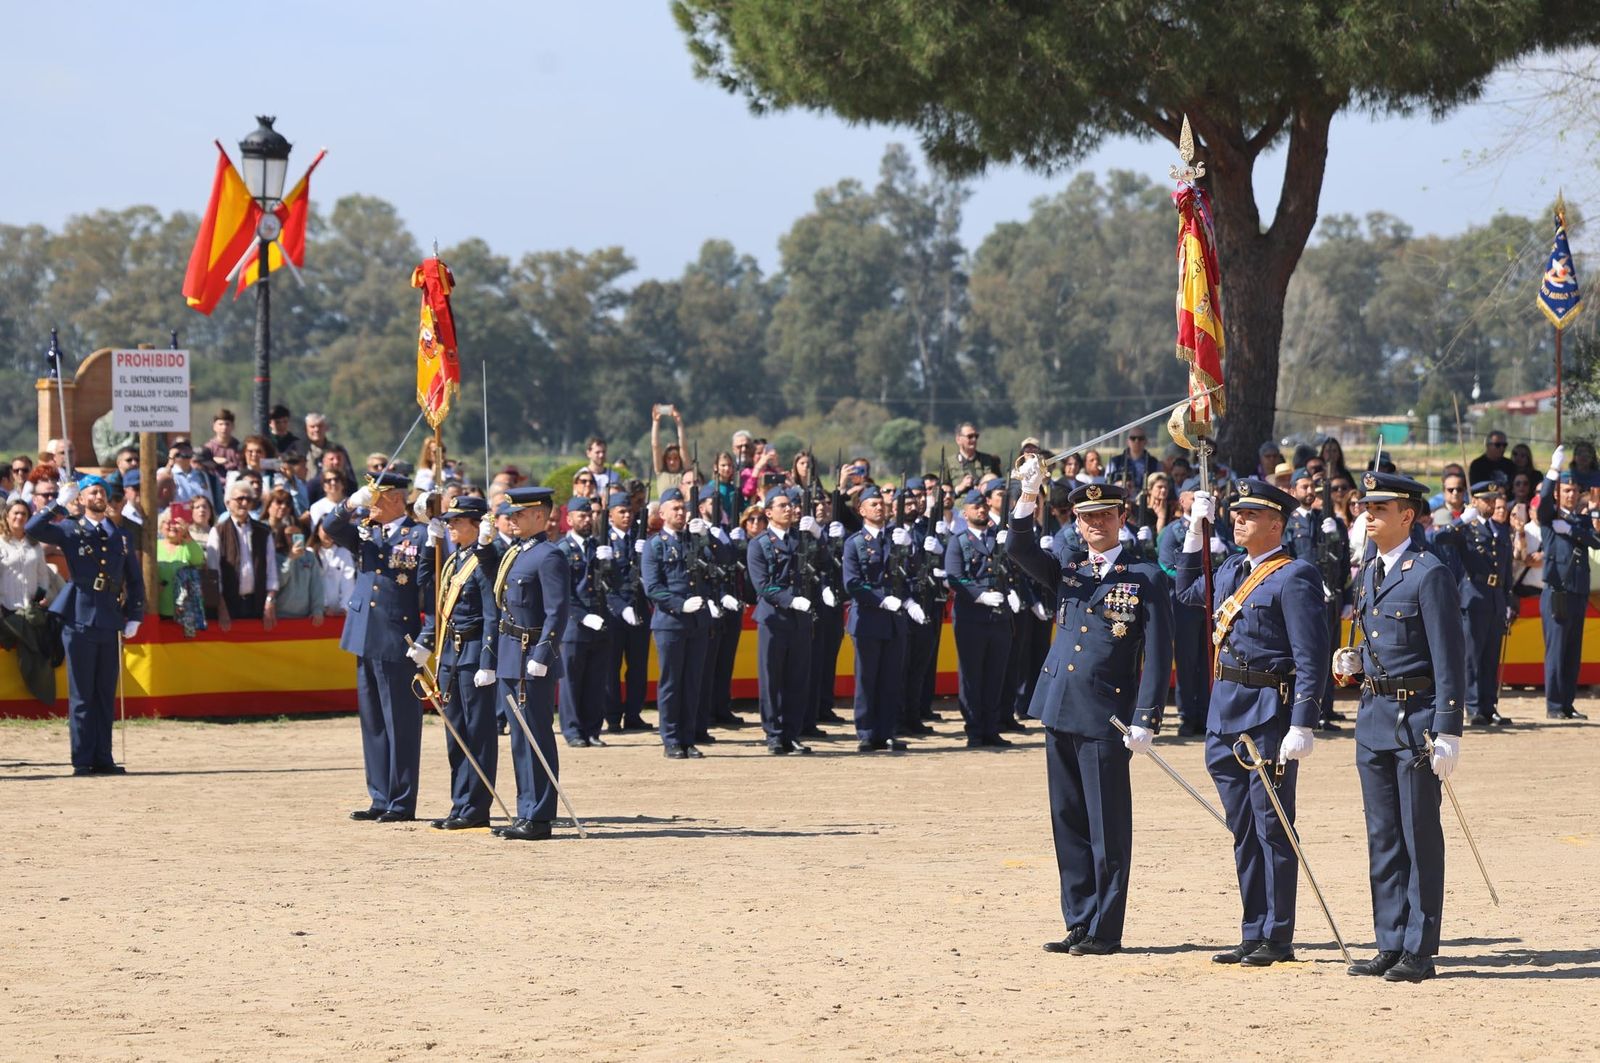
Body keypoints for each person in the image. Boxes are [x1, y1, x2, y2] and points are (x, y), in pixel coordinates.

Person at [1007, 463, 1172, 957]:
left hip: (1107, 714)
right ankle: (1078, 920)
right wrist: (1028, 495)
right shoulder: (1069, 569)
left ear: (1122, 517)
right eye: (1086, 517)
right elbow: (1018, 549)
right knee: (1068, 821)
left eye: (1104, 515)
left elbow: (1159, 654)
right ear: (1076, 524)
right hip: (1059, 706)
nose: (1096, 524)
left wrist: (1147, 716)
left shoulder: (1144, 576)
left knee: (1107, 826)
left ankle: (1106, 926)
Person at [1178, 478, 1330, 967]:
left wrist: (1303, 722)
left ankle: (1277, 935)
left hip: (1268, 712)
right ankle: (1252, 929)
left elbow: (1311, 656)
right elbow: (1186, 592)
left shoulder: (1295, 576)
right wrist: (1194, 533)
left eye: (1250, 514)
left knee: (1272, 825)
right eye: (1236, 513)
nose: (1239, 519)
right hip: (1224, 711)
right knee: (1242, 827)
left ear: (1276, 524)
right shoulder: (1229, 569)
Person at [1332, 472, 1466, 983]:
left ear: (1407, 516)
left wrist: (1449, 728)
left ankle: (1419, 948)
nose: (1368, 515)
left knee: (1418, 835)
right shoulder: (1369, 571)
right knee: (1383, 835)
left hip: (1416, 722)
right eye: (1366, 507)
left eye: (1380, 508)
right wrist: (1353, 661)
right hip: (1373, 718)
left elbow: (1449, 655)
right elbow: (1376, 641)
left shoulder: (1428, 574)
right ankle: (1389, 941)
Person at [322, 471, 434, 823]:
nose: (370, 502)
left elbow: (429, 591)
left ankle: (401, 801)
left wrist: (427, 637)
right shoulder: (366, 531)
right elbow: (330, 528)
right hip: (364, 634)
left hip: (397, 637)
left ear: (396, 499)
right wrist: (348, 504)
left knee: (400, 722)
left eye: (377, 496)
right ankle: (380, 796)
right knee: (372, 722)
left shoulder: (418, 535)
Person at [25, 475, 145, 774]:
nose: (98, 496)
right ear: (81, 499)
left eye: (102, 492)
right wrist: (59, 503)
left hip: (109, 619)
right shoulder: (70, 529)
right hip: (79, 617)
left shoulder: (120, 535)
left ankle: (103, 757)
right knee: (82, 695)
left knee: (104, 693)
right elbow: (33, 528)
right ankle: (82, 759)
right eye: (92, 492)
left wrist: (135, 614)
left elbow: (134, 578)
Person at [409, 495, 501, 830]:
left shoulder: (485, 560)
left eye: (456, 522)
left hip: (473, 652)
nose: (449, 526)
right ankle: (460, 803)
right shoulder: (453, 559)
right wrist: (428, 546)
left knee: (477, 734)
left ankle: (476, 807)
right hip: (450, 653)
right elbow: (426, 585)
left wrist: (488, 660)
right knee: (456, 733)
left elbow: (491, 614)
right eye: (448, 522)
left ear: (476, 525)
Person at [1433, 482, 1513, 726]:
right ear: (1474, 501)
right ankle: (1474, 706)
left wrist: (1508, 600)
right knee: (1473, 657)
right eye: (1486, 499)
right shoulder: (1467, 528)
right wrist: (1461, 520)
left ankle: (1490, 706)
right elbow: (1438, 538)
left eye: (1494, 499)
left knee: (1491, 657)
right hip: (1473, 597)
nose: (1491, 504)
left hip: (1495, 598)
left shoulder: (1498, 529)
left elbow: (1506, 569)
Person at [746, 485, 819, 755]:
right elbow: (763, 585)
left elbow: (823, 562)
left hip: (799, 620)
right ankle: (774, 735)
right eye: (782, 506)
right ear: (768, 512)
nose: (789, 509)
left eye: (790, 505)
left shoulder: (801, 540)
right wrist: (791, 600)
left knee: (797, 679)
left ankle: (792, 733)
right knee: (772, 679)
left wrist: (819, 534)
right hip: (774, 619)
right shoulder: (759, 544)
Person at [643, 487, 713, 759]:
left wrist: (706, 538)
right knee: (671, 683)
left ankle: (688, 737)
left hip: (697, 622)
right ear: (662, 514)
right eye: (675, 508)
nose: (681, 513)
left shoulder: (693, 540)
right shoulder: (655, 544)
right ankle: (671, 739)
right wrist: (679, 604)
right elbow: (652, 587)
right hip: (670, 622)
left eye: (683, 508)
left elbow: (717, 565)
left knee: (693, 682)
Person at [842, 486, 911, 753]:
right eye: (873, 504)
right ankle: (867, 732)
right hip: (868, 620)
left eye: (881, 503)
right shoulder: (855, 543)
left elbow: (910, 574)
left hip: (894, 621)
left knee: (891, 679)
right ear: (861, 510)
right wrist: (881, 599)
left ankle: (888, 731)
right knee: (867, 679)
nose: (879, 507)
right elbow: (852, 583)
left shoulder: (896, 538)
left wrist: (911, 548)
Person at [945, 487, 1014, 747]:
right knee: (972, 676)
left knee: (996, 675)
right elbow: (955, 576)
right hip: (971, 617)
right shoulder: (959, 541)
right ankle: (974, 730)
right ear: (965, 513)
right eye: (975, 507)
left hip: (999, 617)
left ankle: (991, 729)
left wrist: (1011, 545)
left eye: (984, 506)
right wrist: (980, 595)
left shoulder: (999, 538)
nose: (982, 510)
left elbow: (1013, 571)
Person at [1535, 445, 1598, 721]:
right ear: (1558, 493)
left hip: (1578, 591)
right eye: (1566, 490)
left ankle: (1568, 703)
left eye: (1574, 491)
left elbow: (1596, 540)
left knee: (1573, 651)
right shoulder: (1550, 518)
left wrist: (1572, 529)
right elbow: (1543, 502)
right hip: (1557, 591)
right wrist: (1553, 470)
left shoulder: (1579, 521)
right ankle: (1554, 704)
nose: (1571, 495)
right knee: (1557, 650)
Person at [555, 496, 612, 747]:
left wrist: (610, 563)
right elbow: (561, 592)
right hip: (574, 625)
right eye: (582, 515)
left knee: (596, 680)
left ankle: (592, 729)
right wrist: (582, 615)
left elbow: (611, 585)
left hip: (600, 622)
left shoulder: (598, 546)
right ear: (569, 520)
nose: (587, 520)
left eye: (589, 515)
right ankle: (573, 730)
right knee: (571, 681)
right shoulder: (562, 550)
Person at [601, 491, 651, 733]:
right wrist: (621, 608)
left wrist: (646, 552)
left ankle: (633, 713)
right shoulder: (604, 541)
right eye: (621, 511)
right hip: (613, 612)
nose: (627, 516)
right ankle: (612, 717)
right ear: (610, 515)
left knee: (638, 666)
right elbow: (605, 584)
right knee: (611, 667)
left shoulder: (640, 539)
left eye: (630, 511)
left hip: (639, 609)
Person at [206, 481, 279, 631]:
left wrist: (269, 601)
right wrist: (221, 607)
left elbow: (271, 569)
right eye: (240, 499)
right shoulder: (218, 531)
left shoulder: (264, 531)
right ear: (228, 503)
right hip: (228, 603)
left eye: (248, 499)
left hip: (257, 603)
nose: (244, 503)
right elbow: (213, 573)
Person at [271, 492, 325, 624]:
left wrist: (318, 610)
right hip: (280, 616)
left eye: (297, 534)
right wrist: (290, 559)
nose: (293, 538)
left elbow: (316, 585)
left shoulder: (309, 556)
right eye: (289, 535)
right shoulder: (275, 555)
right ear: (282, 534)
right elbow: (277, 583)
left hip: (304, 617)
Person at [1, 498, 62, 611]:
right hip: (6, 610)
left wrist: (40, 597)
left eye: (23, 514)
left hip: (32, 610)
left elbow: (43, 576)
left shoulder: (35, 544)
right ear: (7, 517)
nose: (20, 517)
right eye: (16, 513)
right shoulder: (1, 544)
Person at [154, 508, 205, 636]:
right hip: (158, 608)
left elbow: (198, 559)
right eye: (168, 522)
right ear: (161, 527)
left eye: (176, 523)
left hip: (184, 611)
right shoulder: (154, 546)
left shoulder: (187, 545)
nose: (172, 526)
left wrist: (187, 536)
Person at [315, 524, 356, 616]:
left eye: (332, 529)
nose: (328, 533)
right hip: (316, 611)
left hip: (337, 612)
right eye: (324, 529)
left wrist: (345, 607)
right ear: (317, 531)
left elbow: (348, 582)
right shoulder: (310, 552)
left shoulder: (344, 553)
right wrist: (323, 606)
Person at [1107, 430, 1158, 497]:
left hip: (1145, 499)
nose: (1137, 441)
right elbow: (1106, 484)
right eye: (1133, 438)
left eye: (1140, 438)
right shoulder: (1114, 462)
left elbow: (1159, 482)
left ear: (1145, 441)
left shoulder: (1154, 463)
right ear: (1127, 441)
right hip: (1120, 498)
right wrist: (1119, 484)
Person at [651, 405, 688, 497]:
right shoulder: (660, 472)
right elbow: (655, 446)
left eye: (676, 458)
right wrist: (656, 421)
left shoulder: (685, 474)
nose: (672, 462)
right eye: (669, 459)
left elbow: (683, 447)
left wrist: (678, 421)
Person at [952, 422, 1001, 490]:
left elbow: (999, 485)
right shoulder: (949, 463)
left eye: (976, 436)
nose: (974, 439)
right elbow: (944, 490)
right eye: (970, 436)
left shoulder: (989, 460)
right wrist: (960, 487)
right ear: (958, 439)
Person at [200, 408, 242, 473]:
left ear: (233, 426)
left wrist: (227, 462)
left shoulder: (239, 447)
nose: (224, 427)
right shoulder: (208, 448)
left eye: (227, 424)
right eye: (220, 424)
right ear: (214, 427)